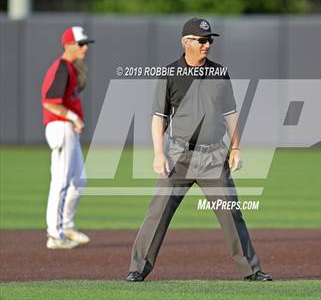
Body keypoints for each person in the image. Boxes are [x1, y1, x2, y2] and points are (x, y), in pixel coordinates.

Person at [127, 17, 272, 281]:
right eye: (202, 40)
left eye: (210, 40)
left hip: (214, 156)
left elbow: (231, 115)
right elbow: (158, 117)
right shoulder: (170, 73)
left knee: (230, 212)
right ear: (186, 42)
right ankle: (137, 269)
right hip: (179, 155)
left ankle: (251, 271)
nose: (207, 45)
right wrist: (159, 153)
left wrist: (236, 147)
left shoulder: (219, 73)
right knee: (157, 213)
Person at [40, 26, 94, 249]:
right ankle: (54, 234)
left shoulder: (71, 68)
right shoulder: (62, 67)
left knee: (79, 181)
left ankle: (67, 226)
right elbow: (50, 101)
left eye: (86, 44)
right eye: (80, 44)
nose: (85, 48)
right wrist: (73, 117)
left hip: (68, 128)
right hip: (61, 127)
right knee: (61, 182)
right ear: (68, 45)